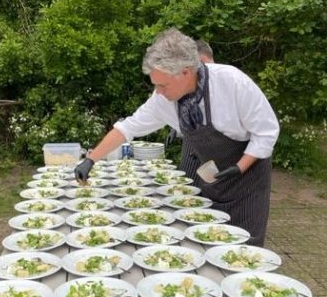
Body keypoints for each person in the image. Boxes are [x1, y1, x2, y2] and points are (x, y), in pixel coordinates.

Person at [74, 28, 279, 246]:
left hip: (247, 180)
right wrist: (91, 159)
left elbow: (266, 132)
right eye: (155, 85)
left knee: (244, 247)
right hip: (214, 178)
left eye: (163, 85)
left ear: (186, 72)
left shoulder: (232, 83)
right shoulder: (163, 99)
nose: (159, 91)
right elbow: (128, 128)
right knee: (208, 240)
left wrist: (240, 167)